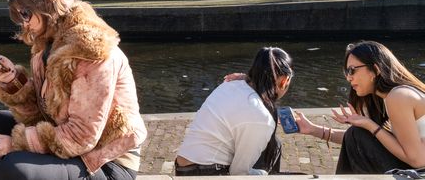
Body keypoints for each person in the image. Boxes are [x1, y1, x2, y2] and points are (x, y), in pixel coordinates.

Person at [0, 0, 147, 180]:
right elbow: (43, 115)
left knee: (13, 168)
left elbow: (82, 136)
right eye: (19, 16)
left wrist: (15, 144)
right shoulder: (46, 45)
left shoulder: (90, 50)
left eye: (25, 13)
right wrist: (14, 82)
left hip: (106, 161)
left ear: (46, 2)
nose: (24, 23)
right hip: (75, 146)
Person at [294, 41, 425, 174]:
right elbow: (375, 142)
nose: (348, 77)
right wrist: (313, 129)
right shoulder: (390, 97)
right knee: (356, 134)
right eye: (347, 72)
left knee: (356, 134)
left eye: (352, 70)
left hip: (420, 172)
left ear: (375, 70)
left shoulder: (399, 96)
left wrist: (370, 125)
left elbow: (418, 160)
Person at [175, 47, 294, 176]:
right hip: (207, 173)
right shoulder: (261, 118)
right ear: (284, 81)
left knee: (274, 145)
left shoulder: (230, 84)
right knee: (267, 163)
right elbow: (238, 173)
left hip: (185, 167)